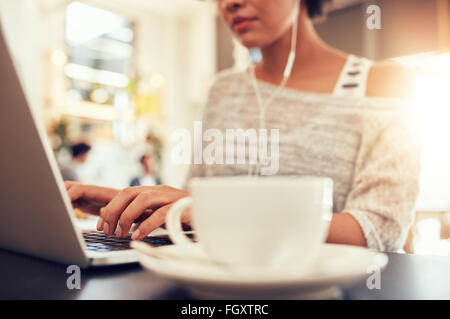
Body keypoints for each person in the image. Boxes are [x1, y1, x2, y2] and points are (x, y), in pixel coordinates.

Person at [65, 0, 420, 252]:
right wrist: (129, 206)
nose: (229, 3)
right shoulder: (224, 89)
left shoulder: (378, 81)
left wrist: (214, 210)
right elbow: (192, 211)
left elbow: (379, 230)